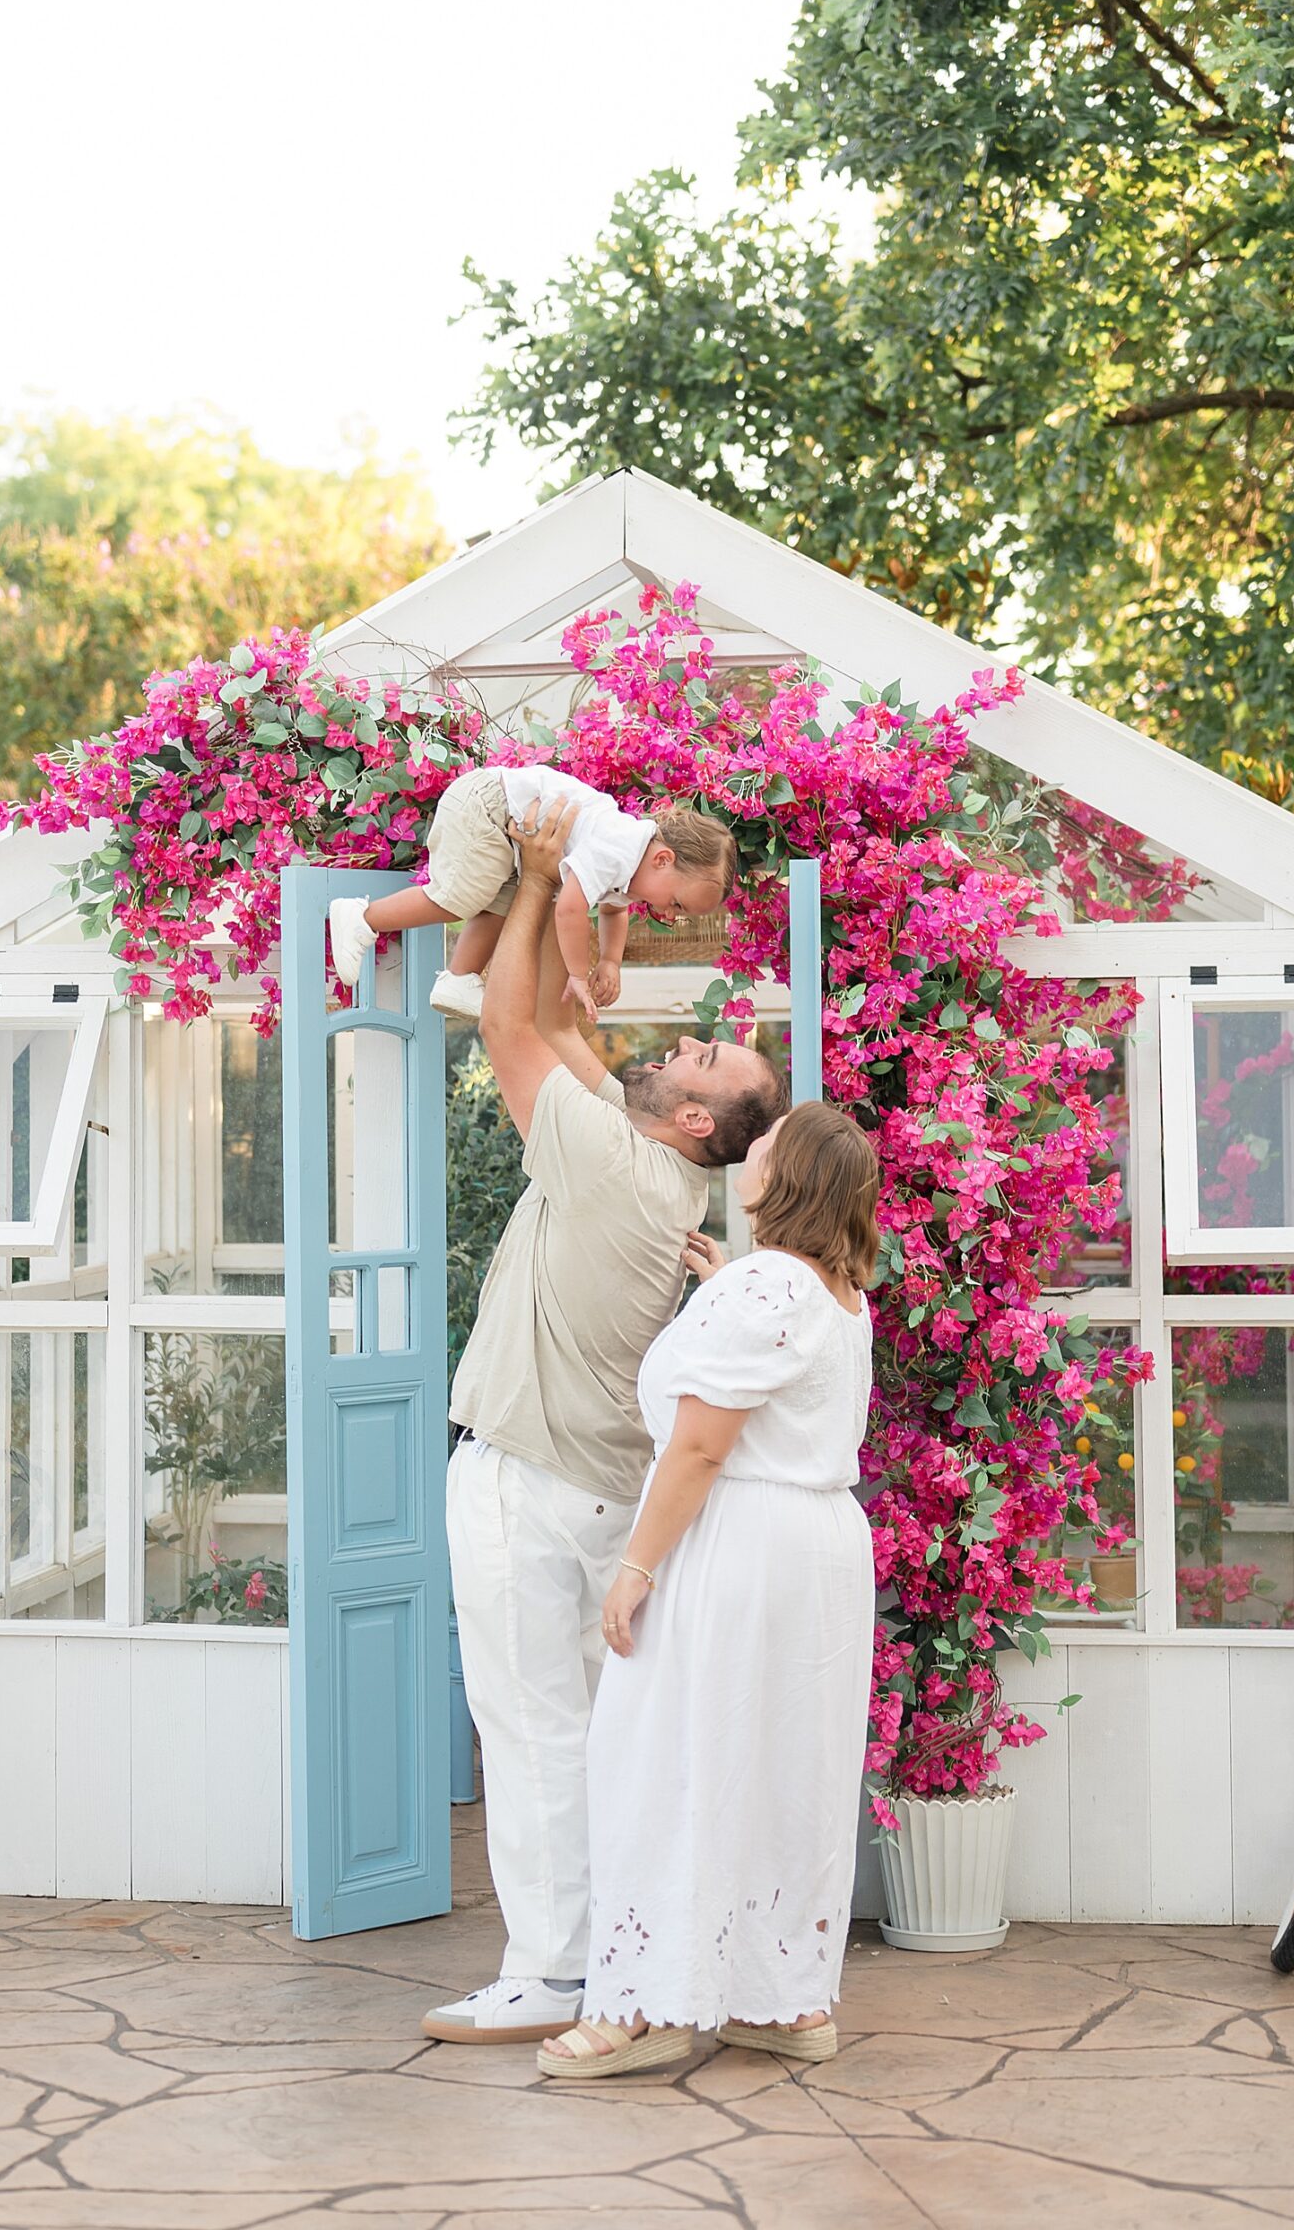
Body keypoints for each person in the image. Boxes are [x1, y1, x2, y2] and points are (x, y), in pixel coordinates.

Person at [423, 793, 788, 2047]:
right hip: (588, 1495)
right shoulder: (654, 1166)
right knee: (573, 1730)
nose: (676, 1045)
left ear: (697, 1121)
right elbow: (580, 1052)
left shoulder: (613, 1165)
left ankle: (554, 1972)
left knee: (529, 1730)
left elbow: (510, 1027)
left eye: (696, 1062)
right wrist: (591, 972)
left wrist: (530, 883)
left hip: (529, 1487)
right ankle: (598, 1952)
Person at [538, 1101, 878, 2082]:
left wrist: (637, 1565)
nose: (751, 1150)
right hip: (814, 1549)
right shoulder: (837, 1292)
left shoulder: (766, 1286)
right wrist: (726, 1284)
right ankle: (787, 2001)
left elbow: (699, 1445)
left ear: (792, 1180)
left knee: (667, 1757)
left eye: (768, 1147)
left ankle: (638, 2003)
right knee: (780, 1769)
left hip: (737, 1544)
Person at [327, 765, 737, 1023]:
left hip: (509, 839)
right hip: (488, 806)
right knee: (461, 898)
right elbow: (571, 909)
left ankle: (460, 978)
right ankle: (362, 919)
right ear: (663, 859)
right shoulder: (620, 844)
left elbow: (613, 912)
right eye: (677, 902)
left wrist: (611, 961)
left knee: (501, 906)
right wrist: (578, 974)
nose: (669, 912)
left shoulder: (631, 872)